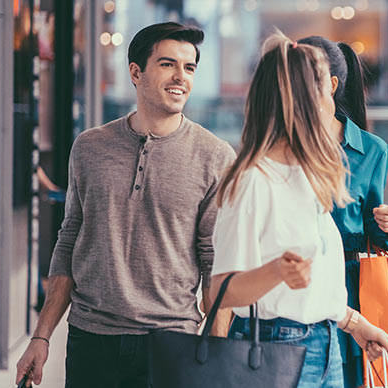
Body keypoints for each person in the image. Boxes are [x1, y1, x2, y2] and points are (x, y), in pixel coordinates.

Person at [14, 22, 236, 387]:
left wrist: (217, 354)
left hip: (171, 341)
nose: (181, 77)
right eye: (167, 65)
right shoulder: (89, 147)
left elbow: (217, 264)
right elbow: (69, 241)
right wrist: (41, 336)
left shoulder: (214, 157)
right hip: (91, 337)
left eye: (190, 67)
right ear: (136, 72)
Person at [208, 33, 388, 388]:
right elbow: (222, 290)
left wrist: (356, 325)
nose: (333, 98)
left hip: (327, 347)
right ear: (302, 101)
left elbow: (317, 283)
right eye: (326, 88)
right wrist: (276, 271)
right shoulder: (253, 181)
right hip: (276, 350)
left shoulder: (312, 174)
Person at [297, 35, 388, 388]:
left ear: (332, 84)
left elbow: (377, 239)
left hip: (348, 291)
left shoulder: (372, 150)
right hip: (291, 284)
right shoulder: (282, 144)